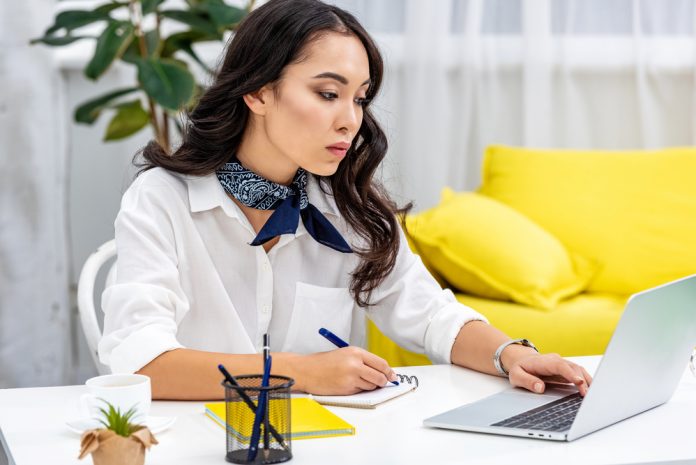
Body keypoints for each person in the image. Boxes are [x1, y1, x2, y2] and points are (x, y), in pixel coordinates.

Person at [99, 0, 592, 400]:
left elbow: (429, 314)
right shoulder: (163, 200)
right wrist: (301, 374)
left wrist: (510, 355)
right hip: (194, 445)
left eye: (359, 98)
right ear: (257, 93)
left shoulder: (347, 205)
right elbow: (141, 361)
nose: (350, 121)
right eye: (328, 93)